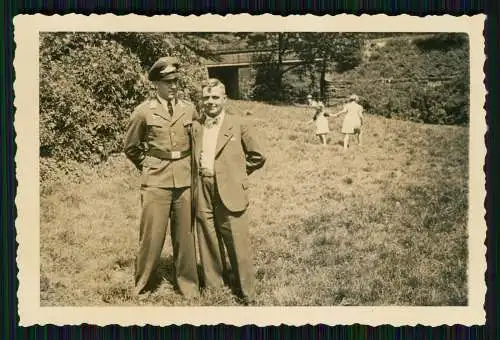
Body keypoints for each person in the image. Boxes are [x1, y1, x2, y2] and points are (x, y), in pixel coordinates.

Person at [123, 56, 199, 297]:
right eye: (167, 82)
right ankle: (143, 285)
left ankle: (188, 286)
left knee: (185, 236)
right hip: (156, 179)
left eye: (175, 81)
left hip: (185, 179)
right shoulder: (144, 111)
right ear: (157, 83)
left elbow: (196, 140)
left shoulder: (189, 109)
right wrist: (148, 165)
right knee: (151, 235)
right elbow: (131, 147)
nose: (173, 86)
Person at [191, 78, 266, 304]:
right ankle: (216, 289)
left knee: (236, 239)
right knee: (207, 237)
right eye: (206, 97)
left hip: (230, 189)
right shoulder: (196, 126)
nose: (210, 102)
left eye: (215, 97)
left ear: (225, 99)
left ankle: (247, 292)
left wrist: (237, 176)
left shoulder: (238, 123)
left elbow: (258, 156)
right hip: (202, 187)